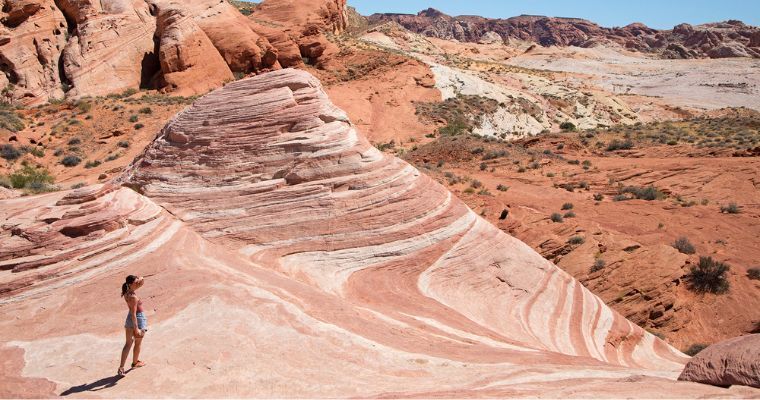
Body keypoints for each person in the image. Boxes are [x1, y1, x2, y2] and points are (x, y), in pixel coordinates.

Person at [118, 275, 147, 376]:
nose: (138, 283)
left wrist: (138, 278)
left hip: (128, 319)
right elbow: (134, 314)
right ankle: (135, 363)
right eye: (135, 282)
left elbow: (142, 281)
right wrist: (137, 329)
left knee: (128, 343)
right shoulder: (133, 297)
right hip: (137, 319)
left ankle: (121, 367)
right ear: (130, 284)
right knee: (137, 343)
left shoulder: (126, 292)